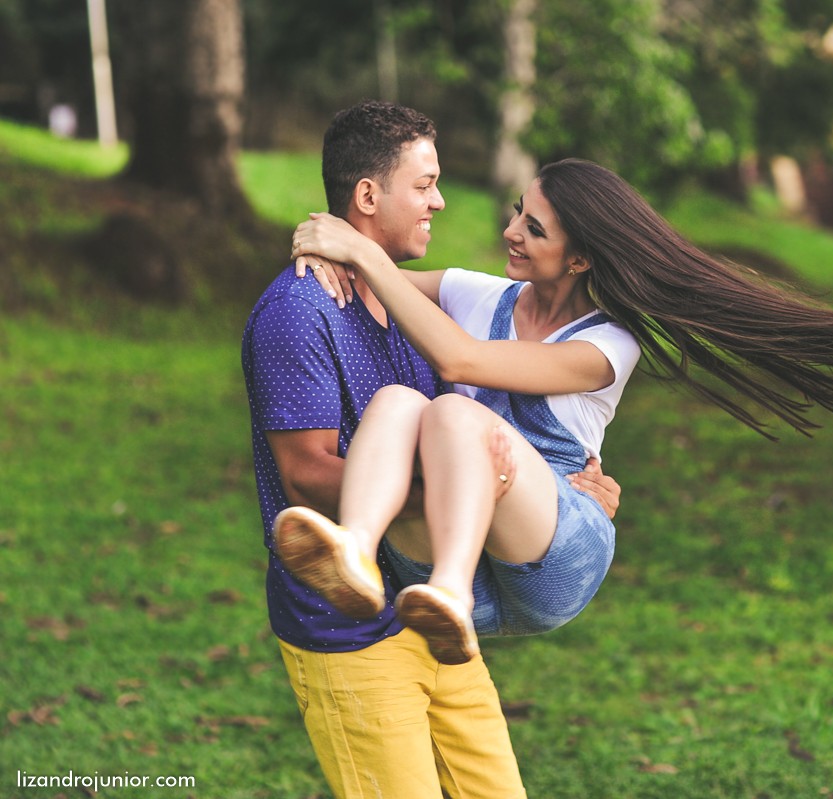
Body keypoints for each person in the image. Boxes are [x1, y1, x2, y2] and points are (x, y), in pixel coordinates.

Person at [277, 158, 833, 669]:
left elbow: (460, 360)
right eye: (516, 214)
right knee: (398, 404)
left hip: (555, 554)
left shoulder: (608, 345)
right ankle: (354, 552)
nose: (510, 233)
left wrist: (359, 253)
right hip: (462, 541)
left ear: (580, 257)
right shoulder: (481, 294)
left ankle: (449, 592)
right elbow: (370, 283)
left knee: (450, 413)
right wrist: (324, 245)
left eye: (534, 228)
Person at [242, 101, 618, 799]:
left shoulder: (417, 308)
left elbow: (467, 417)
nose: (440, 201)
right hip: (349, 633)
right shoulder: (299, 310)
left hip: (434, 608)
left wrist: (555, 494)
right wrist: (467, 500)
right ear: (367, 196)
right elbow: (303, 473)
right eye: (424, 185)